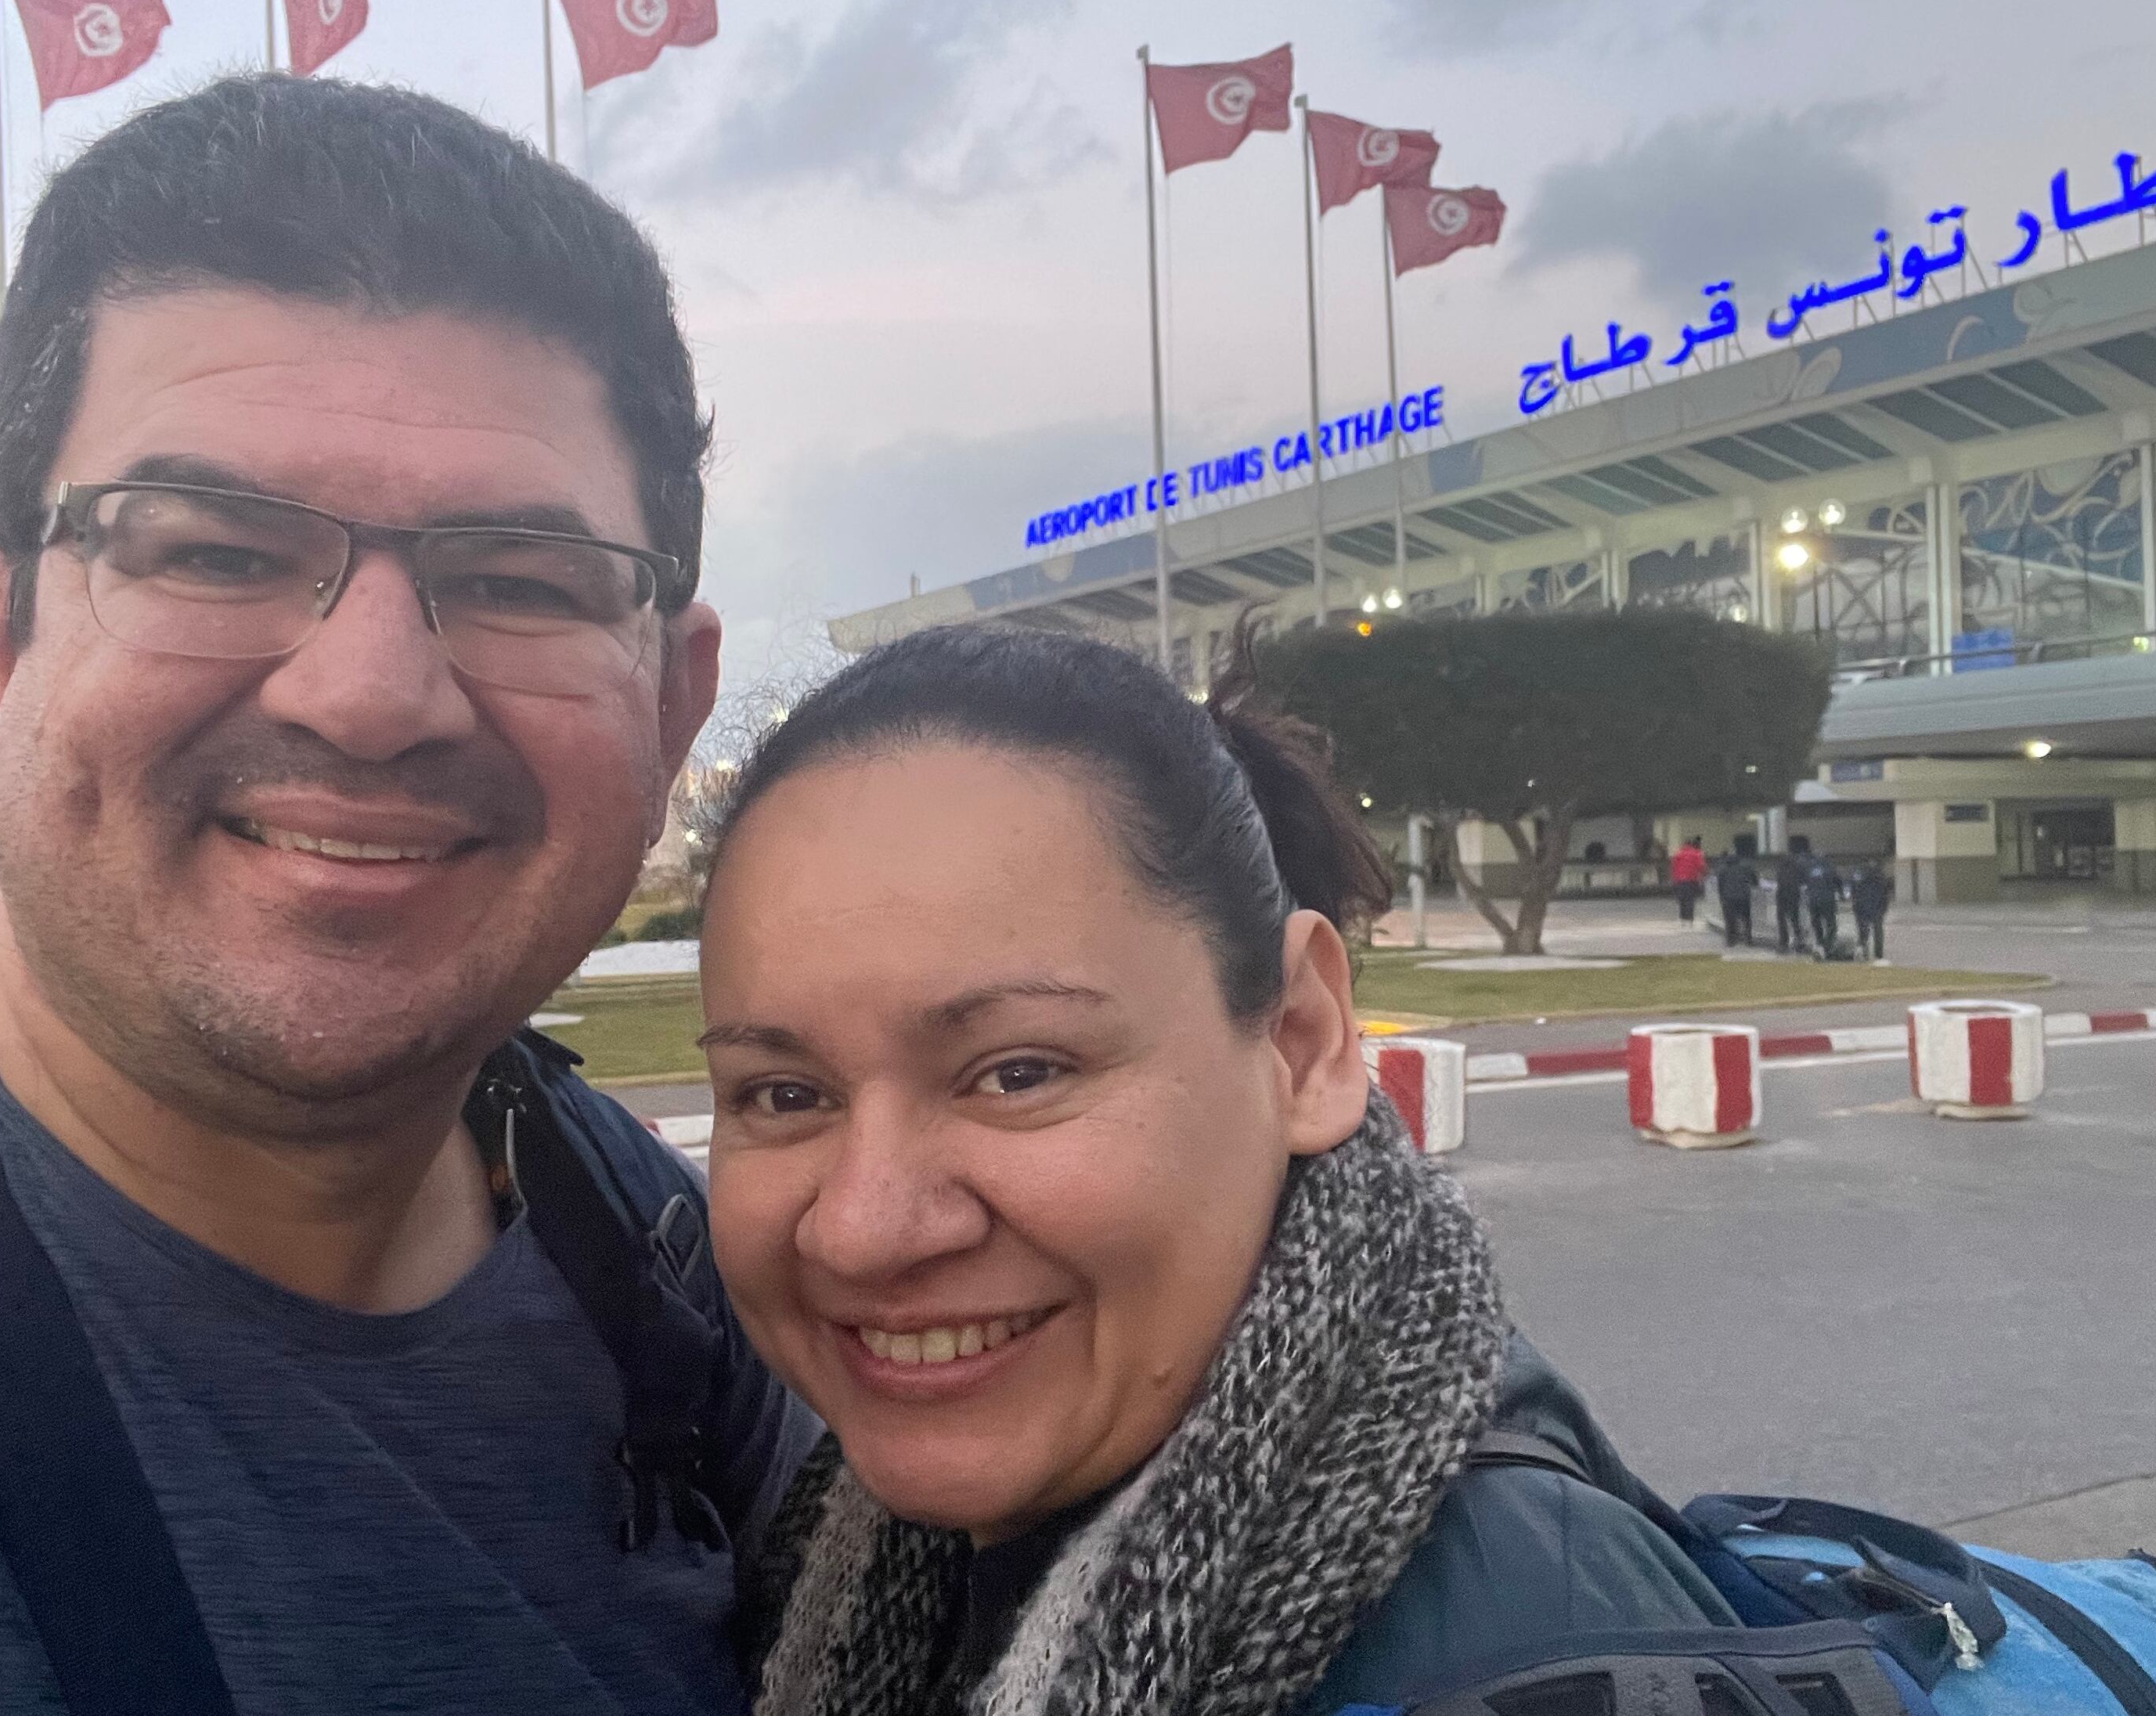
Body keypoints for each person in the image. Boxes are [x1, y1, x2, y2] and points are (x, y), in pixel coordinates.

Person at [0, 76, 813, 1714]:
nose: (369, 694)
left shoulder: (663, 1249)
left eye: (518, 581)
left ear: (670, 703)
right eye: (212, 551)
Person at [698, 626, 1734, 1716]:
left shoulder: (1531, 1656)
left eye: (1015, 1073)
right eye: (783, 1094)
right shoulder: (871, 1565)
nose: (864, 1227)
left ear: (1301, 1040)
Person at [1714, 841, 1758, 947]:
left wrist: (1721, 897)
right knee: (1746, 919)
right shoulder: (1746, 867)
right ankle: (1749, 939)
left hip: (1728, 897)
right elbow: (1755, 880)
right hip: (1744, 897)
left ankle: (1731, 940)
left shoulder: (1722, 869)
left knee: (1730, 919)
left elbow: (1720, 884)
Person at [1851, 857, 1895, 961]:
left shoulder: (1859, 876)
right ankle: (1878, 954)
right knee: (1878, 931)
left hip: (1862, 907)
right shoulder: (1881, 876)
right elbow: (1885, 894)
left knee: (1863, 931)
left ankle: (1863, 952)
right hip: (1876, 907)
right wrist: (1884, 908)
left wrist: (1856, 906)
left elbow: (1854, 892)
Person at [1774, 834, 1811, 954]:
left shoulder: (1782, 864)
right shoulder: (1800, 863)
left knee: (1782, 920)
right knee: (1795, 920)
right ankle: (1799, 942)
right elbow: (1804, 879)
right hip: (1794, 894)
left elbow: (1778, 878)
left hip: (1782, 894)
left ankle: (1783, 944)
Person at [1802, 845, 1842, 957]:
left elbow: (1803, 883)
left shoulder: (1809, 868)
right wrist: (1842, 895)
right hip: (1827, 899)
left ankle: (1820, 944)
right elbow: (1838, 881)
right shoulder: (1830, 867)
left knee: (1816, 923)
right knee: (1831, 924)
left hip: (1813, 900)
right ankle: (1827, 947)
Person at [1669, 834, 1707, 925]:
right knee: (1690, 900)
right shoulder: (1696, 854)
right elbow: (1701, 866)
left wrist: (1674, 879)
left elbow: (1673, 867)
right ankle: (1690, 919)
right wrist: (1705, 874)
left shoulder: (1678, 854)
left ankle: (1682, 918)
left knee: (1681, 899)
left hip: (1679, 881)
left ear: (1684, 844)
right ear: (1692, 844)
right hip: (1691, 880)